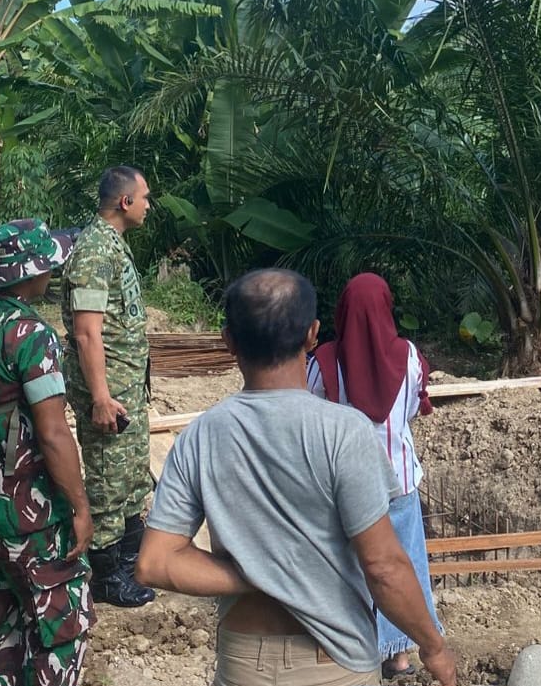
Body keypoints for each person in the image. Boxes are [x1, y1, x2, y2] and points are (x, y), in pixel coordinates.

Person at [136, 269, 458, 686]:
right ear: (312, 334)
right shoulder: (344, 432)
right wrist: (433, 647)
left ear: (228, 340)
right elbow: (383, 567)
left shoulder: (201, 435)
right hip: (333, 663)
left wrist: (254, 572)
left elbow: (154, 562)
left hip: (242, 662)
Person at [0, 220, 95, 685]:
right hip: (28, 508)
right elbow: (53, 433)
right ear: (29, 273)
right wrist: (78, 506)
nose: (52, 272)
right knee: (61, 624)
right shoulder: (32, 335)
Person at [307, 273, 442, 678]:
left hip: (347, 488)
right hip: (399, 482)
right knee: (405, 567)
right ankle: (400, 656)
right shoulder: (409, 356)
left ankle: (357, 652)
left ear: (343, 310)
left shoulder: (327, 361)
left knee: (354, 569)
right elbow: (416, 406)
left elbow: (311, 412)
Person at [62, 165, 156, 607]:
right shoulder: (96, 252)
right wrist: (100, 396)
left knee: (130, 475)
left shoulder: (112, 246)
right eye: (145, 198)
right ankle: (104, 576)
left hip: (125, 388)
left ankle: (130, 558)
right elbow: (86, 332)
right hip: (109, 393)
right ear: (125, 202)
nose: (149, 206)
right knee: (106, 477)